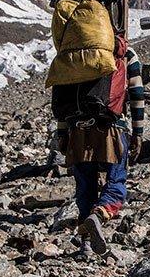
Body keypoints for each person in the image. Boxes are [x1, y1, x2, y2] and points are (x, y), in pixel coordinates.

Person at [55, 46, 144, 256]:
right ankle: (100, 214)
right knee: (116, 182)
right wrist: (138, 132)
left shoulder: (71, 51)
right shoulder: (125, 53)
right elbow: (137, 94)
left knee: (85, 186)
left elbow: (62, 96)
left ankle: (85, 244)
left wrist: (62, 133)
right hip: (112, 129)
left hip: (77, 129)